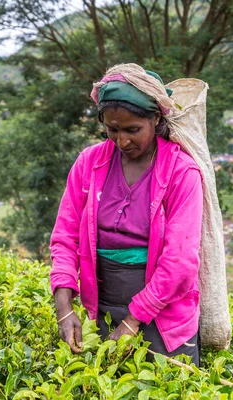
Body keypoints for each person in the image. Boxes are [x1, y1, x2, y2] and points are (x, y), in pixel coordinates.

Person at [49, 66, 203, 365]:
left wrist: (133, 321)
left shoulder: (181, 172)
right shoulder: (89, 163)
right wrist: (64, 309)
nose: (121, 141)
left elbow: (180, 262)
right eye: (112, 129)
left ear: (155, 119)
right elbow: (64, 238)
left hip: (164, 316)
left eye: (133, 130)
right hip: (104, 309)